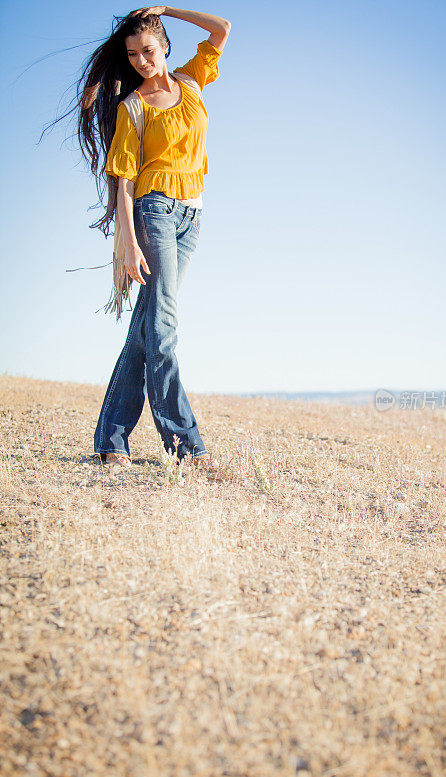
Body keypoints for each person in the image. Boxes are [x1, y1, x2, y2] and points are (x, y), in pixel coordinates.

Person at [79, 6, 230, 468]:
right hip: (154, 210)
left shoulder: (190, 81)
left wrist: (166, 9)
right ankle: (186, 444)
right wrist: (127, 241)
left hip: (193, 215)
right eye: (133, 55)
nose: (142, 60)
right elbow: (124, 179)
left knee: (148, 328)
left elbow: (222, 29)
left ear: (164, 45)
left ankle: (111, 440)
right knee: (163, 326)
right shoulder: (133, 106)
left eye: (148, 50)